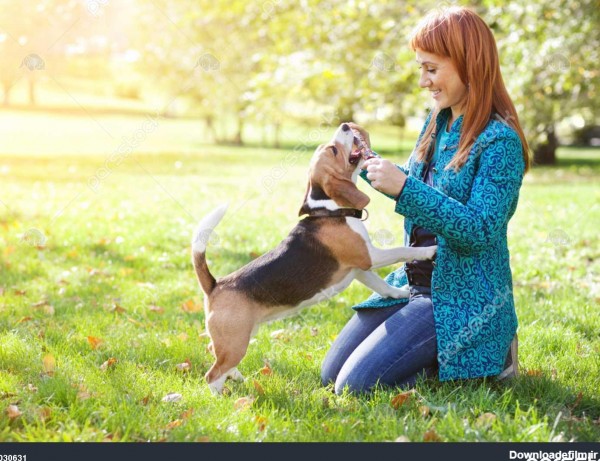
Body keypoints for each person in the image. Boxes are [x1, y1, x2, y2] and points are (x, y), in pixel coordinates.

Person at [321, 6, 530, 395]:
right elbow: (416, 184)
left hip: (460, 300)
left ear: (469, 64)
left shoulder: (501, 142)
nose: (423, 81)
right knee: (329, 375)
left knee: (355, 387)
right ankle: (446, 359)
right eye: (421, 68)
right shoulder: (439, 120)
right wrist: (365, 159)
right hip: (412, 283)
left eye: (431, 69)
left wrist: (404, 188)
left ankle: (486, 355)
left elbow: (480, 230)